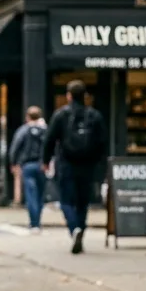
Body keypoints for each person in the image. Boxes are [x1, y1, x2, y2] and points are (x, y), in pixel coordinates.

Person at [42, 80, 108, 255]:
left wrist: (45, 161)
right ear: (85, 96)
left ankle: (74, 229)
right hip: (87, 165)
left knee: (66, 201)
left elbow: (49, 140)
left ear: (69, 96)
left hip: (66, 163)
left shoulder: (60, 115)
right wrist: (100, 165)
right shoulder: (94, 116)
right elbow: (103, 143)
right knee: (82, 202)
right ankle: (80, 227)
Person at [8, 106, 48, 232]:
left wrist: (14, 163)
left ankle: (34, 223)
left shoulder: (24, 130)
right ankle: (38, 221)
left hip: (28, 165)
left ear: (27, 117)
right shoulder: (45, 130)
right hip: (42, 165)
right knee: (40, 195)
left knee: (31, 195)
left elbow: (15, 147)